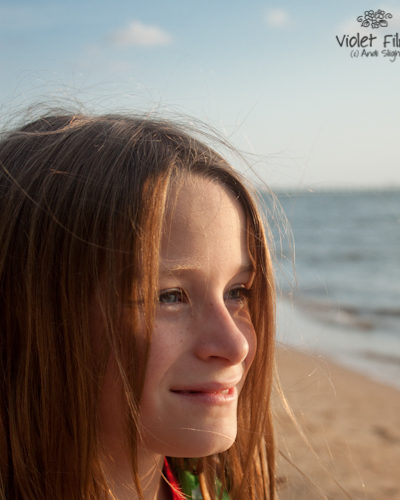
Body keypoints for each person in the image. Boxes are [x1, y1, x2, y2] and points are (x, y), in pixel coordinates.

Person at [0, 112, 276, 499]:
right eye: (169, 297)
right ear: (29, 313)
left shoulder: (214, 490)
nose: (236, 346)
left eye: (237, 292)